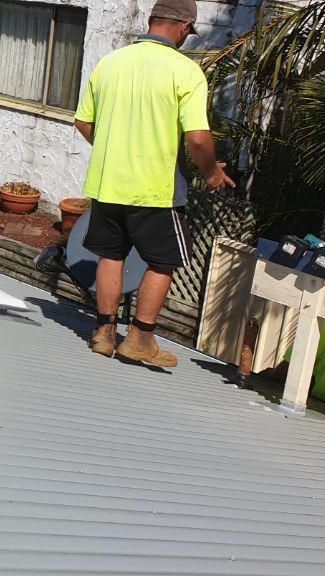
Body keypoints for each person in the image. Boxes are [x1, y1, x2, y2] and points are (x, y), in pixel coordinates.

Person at [73, 0, 234, 367]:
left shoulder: (111, 63)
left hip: (108, 182)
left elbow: (83, 123)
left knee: (111, 255)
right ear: (184, 27)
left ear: (151, 22)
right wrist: (212, 173)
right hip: (155, 189)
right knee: (164, 261)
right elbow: (197, 138)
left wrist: (118, 149)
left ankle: (103, 333)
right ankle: (140, 340)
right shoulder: (185, 70)